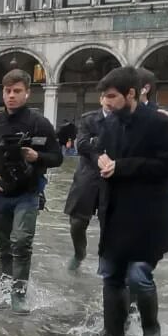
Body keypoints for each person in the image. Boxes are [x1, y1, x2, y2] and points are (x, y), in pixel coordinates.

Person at [86, 66, 168, 336]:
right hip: (115, 213)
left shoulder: (161, 124)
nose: (107, 103)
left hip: (149, 215)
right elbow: (96, 150)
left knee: (139, 275)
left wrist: (123, 167)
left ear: (132, 93)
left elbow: (167, 165)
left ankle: (151, 330)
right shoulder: (109, 125)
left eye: (112, 96)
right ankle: (113, 333)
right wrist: (100, 160)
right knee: (111, 274)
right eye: (104, 97)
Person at [0, 70, 62, 312]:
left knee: (21, 241)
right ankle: (6, 291)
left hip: (28, 193)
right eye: (7, 91)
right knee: (3, 246)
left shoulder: (39, 123)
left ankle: (19, 294)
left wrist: (37, 155)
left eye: (17, 91)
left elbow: (58, 157)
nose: (11, 96)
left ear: (27, 93)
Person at [64, 101, 107, 272]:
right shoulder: (88, 119)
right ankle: (79, 253)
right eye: (107, 96)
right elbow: (81, 145)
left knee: (111, 223)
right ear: (102, 99)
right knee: (77, 222)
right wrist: (99, 149)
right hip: (87, 175)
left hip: (113, 175)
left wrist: (95, 141)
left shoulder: (126, 119)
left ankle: (105, 260)